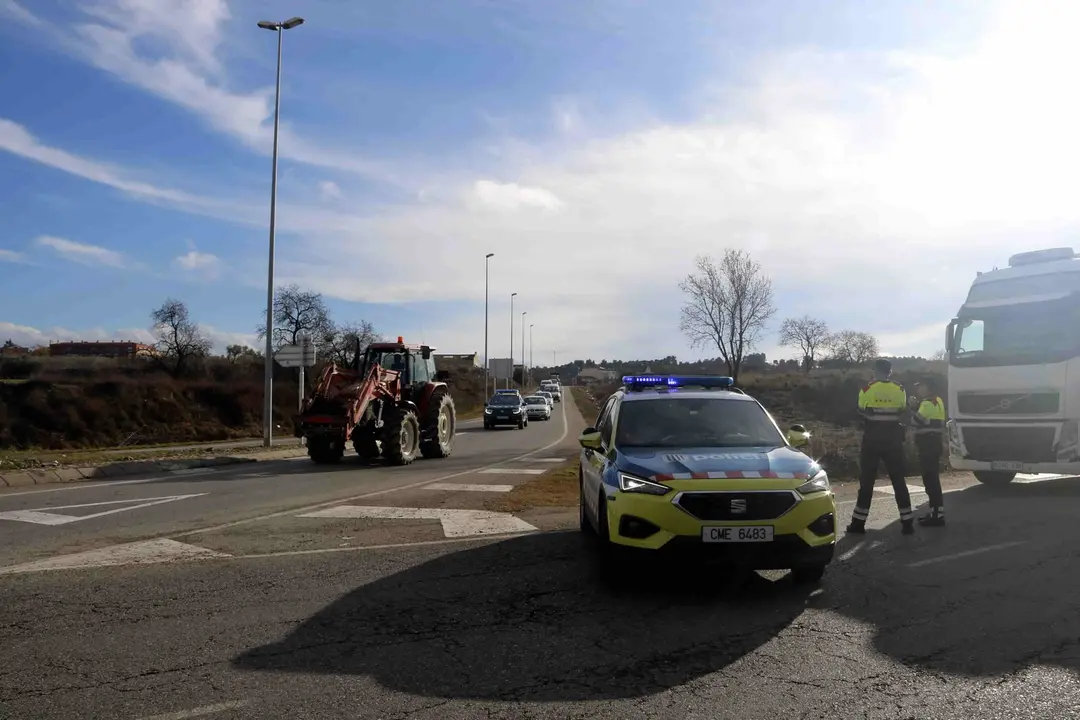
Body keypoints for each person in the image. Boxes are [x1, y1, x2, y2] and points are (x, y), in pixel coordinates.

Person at [847, 358, 916, 535]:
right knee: (898, 481)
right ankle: (907, 521)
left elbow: (861, 410)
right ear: (890, 372)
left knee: (867, 482)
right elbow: (902, 409)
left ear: (875, 371)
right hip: (893, 439)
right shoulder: (900, 389)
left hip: (872, 439)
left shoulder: (867, 389)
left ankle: (858, 523)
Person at [910, 380, 946, 526]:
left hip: (928, 445)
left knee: (930, 480)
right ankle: (936, 512)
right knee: (932, 479)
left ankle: (936, 515)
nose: (918, 389)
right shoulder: (937, 401)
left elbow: (916, 421)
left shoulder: (926, 404)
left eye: (921, 386)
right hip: (934, 443)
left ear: (928, 388)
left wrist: (913, 408)